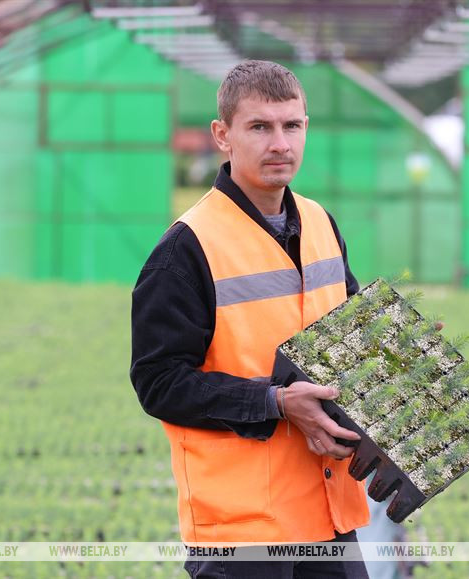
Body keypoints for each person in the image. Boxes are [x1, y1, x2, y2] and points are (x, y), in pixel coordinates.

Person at [130, 60, 370, 578]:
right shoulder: (187, 248)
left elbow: (347, 337)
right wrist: (275, 402)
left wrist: (399, 355)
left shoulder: (320, 223)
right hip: (243, 533)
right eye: (260, 127)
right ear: (223, 135)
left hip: (329, 514)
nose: (280, 143)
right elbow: (158, 382)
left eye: (292, 125)